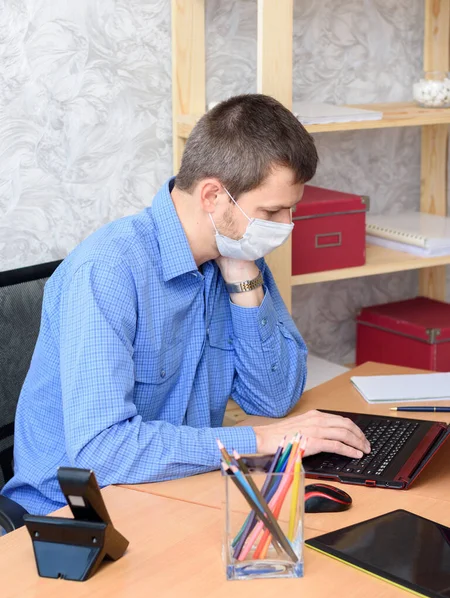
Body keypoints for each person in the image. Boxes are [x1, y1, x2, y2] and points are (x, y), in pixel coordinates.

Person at [2, 94, 370, 515]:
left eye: (291, 211)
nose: (286, 226)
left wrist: (243, 278)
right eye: (272, 210)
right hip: (70, 518)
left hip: (173, 491)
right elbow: (100, 452)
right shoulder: (108, 271)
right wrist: (262, 441)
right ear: (213, 195)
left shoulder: (234, 253)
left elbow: (274, 399)